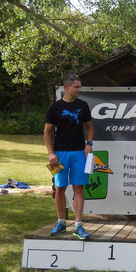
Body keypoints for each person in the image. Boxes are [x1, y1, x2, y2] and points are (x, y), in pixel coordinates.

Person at [44, 74, 94, 240]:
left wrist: (89, 144)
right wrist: (51, 153)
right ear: (67, 87)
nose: (80, 90)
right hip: (59, 154)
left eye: (80, 87)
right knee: (59, 188)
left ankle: (78, 225)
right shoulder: (54, 107)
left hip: (79, 152)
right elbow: (47, 131)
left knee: (79, 188)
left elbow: (90, 127)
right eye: (77, 87)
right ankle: (60, 223)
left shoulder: (83, 105)